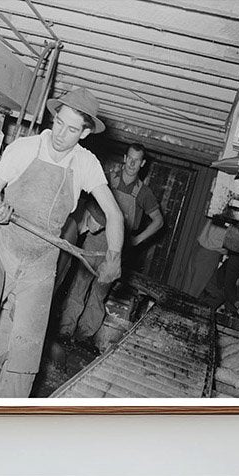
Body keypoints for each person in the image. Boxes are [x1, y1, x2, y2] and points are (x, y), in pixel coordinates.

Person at [0, 87, 124, 398]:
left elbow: (114, 214)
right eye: (59, 122)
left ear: (85, 132)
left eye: (72, 129)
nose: (61, 134)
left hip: (41, 262)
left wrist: (113, 258)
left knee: (26, 352)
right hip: (2, 247)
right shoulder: (25, 147)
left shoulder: (85, 163)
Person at [58, 142, 164, 341]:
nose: (132, 164)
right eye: (129, 158)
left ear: (142, 164)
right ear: (124, 158)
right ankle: (65, 330)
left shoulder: (143, 193)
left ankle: (83, 335)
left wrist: (138, 239)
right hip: (93, 241)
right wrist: (88, 221)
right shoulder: (107, 178)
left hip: (115, 249)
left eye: (137, 161)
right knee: (79, 285)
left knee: (99, 293)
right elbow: (86, 199)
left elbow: (159, 221)